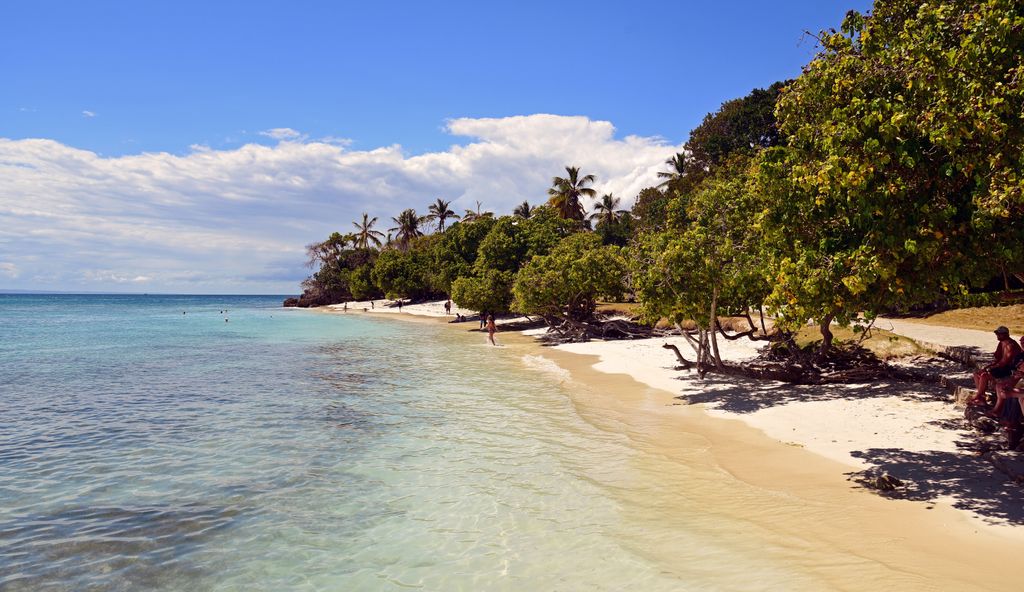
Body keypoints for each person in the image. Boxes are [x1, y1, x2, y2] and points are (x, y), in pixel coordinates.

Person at [969, 326, 1022, 407]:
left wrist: (990, 368)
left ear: (1006, 334)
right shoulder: (1001, 343)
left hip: (1008, 369)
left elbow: (1004, 362)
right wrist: (987, 367)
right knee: (977, 374)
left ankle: (979, 397)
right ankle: (981, 397)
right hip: (1002, 367)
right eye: (997, 334)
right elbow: (997, 359)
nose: (998, 336)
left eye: (1000, 334)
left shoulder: (1010, 345)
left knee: (984, 376)